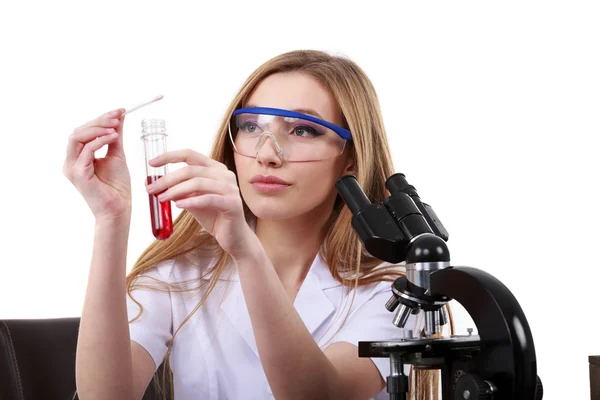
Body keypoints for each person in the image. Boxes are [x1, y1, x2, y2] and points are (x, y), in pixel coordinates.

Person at [64, 50, 452, 400]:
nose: (267, 154)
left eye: (302, 130)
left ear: (351, 158)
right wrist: (110, 221)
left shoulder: (396, 291)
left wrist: (246, 253)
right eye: (251, 126)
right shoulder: (182, 271)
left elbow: (322, 394)